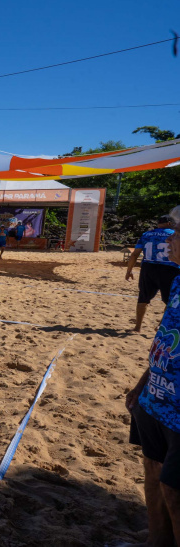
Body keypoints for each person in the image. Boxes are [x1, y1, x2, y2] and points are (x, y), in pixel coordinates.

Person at [126, 220, 180, 546]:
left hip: (177, 412)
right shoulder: (177, 283)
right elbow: (166, 338)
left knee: (174, 490)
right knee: (153, 471)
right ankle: (156, 540)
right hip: (154, 399)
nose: (171, 240)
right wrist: (141, 385)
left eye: (179, 234)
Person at [127, 215, 180, 333]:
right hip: (170, 268)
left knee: (143, 297)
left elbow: (135, 254)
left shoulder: (147, 234)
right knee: (170, 300)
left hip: (149, 268)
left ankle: (137, 327)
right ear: (170, 223)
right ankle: (161, 326)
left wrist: (129, 270)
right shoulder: (174, 234)